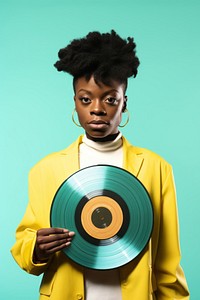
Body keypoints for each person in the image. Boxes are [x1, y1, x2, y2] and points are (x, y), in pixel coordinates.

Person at [11, 30, 189, 300]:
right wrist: (36, 248)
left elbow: (167, 260)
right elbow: (24, 245)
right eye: (86, 99)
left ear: (124, 103)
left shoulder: (157, 168)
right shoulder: (45, 170)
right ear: (75, 103)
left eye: (110, 99)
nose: (97, 109)